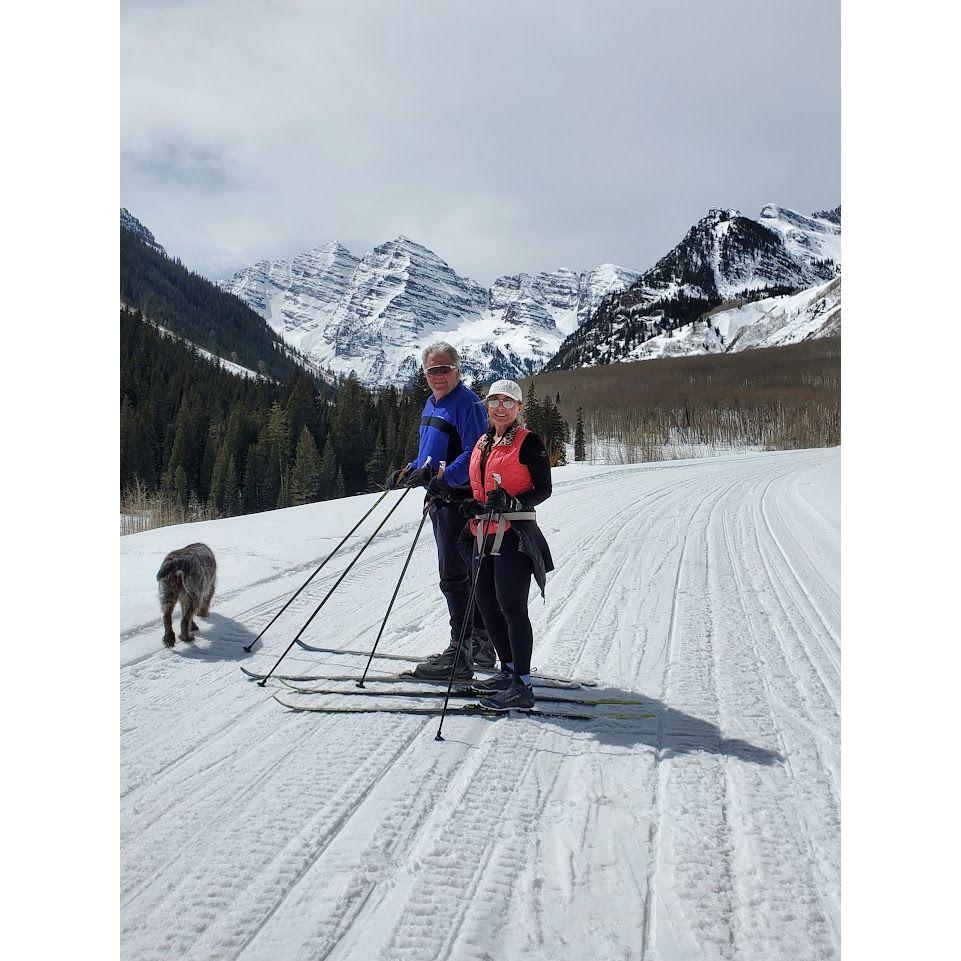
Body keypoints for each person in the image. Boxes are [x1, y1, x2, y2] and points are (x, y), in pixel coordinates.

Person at [386, 342, 494, 680]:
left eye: (445, 369)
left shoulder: (468, 404)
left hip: (459, 502)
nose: (438, 376)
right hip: (440, 499)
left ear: (458, 370)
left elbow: (475, 455)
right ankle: (478, 646)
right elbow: (429, 453)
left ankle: (458, 655)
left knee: (455, 578)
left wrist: (441, 474)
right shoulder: (432, 402)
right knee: (461, 575)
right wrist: (410, 469)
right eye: (432, 370)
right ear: (425, 373)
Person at [461, 379, 554, 711]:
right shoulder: (484, 442)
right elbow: (480, 487)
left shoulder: (528, 442)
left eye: (508, 401)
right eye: (494, 400)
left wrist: (512, 503)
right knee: (486, 603)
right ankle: (509, 669)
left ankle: (523, 684)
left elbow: (543, 488)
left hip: (516, 532)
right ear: (487, 406)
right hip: (483, 532)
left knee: (511, 606)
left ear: (519, 408)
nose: (500, 407)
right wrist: (462, 500)